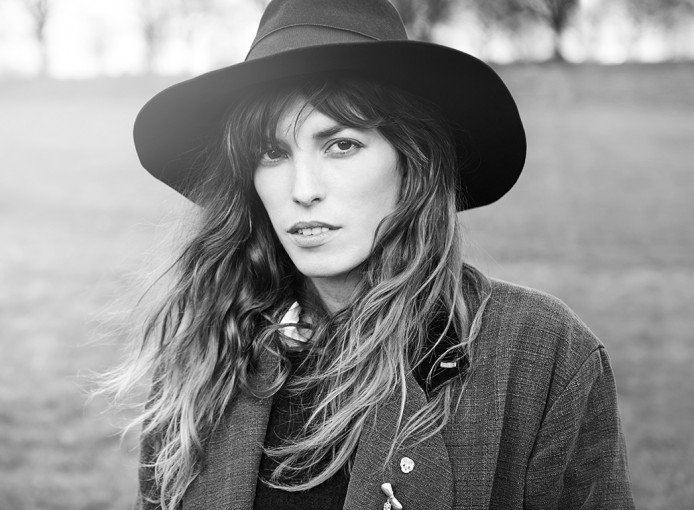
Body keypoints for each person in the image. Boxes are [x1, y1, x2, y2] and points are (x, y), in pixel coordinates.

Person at [119, 0, 635, 508]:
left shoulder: (537, 354)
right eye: (272, 153)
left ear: (413, 160)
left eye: (341, 145)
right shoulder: (208, 352)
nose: (303, 189)